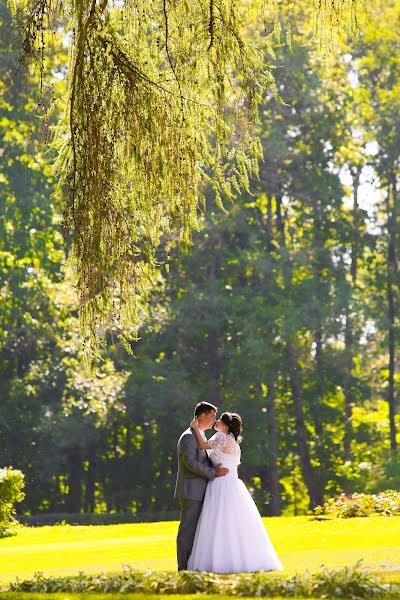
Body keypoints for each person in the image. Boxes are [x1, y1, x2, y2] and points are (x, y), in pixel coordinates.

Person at [187, 411, 283, 573]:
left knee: (218, 522)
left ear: (225, 425)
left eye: (219, 420)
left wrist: (195, 428)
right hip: (233, 484)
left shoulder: (220, 438)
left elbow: (203, 446)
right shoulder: (234, 442)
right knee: (237, 522)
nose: (216, 422)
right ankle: (245, 559)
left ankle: (218, 560)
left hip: (220, 485)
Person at [174, 402, 229, 571]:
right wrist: (214, 472)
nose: (214, 420)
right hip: (192, 492)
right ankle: (183, 569)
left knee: (197, 532)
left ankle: (194, 567)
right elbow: (190, 463)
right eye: (212, 416)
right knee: (188, 531)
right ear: (202, 416)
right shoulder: (188, 437)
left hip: (200, 491)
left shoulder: (200, 435)